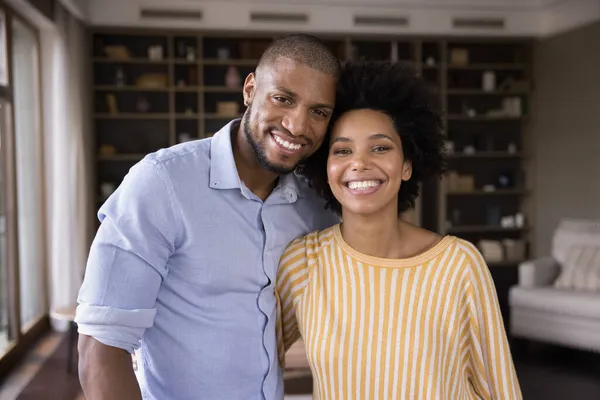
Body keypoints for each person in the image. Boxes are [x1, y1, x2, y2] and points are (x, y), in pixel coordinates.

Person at [75, 34, 341, 400]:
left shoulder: (314, 204)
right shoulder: (161, 182)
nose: (297, 125)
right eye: (283, 99)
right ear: (250, 89)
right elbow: (100, 346)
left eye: (319, 112)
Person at [275, 61, 522, 399]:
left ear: (407, 165)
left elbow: (499, 390)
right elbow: (252, 359)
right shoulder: (302, 263)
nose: (359, 163)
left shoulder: (459, 265)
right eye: (343, 150)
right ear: (326, 168)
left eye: (380, 147)